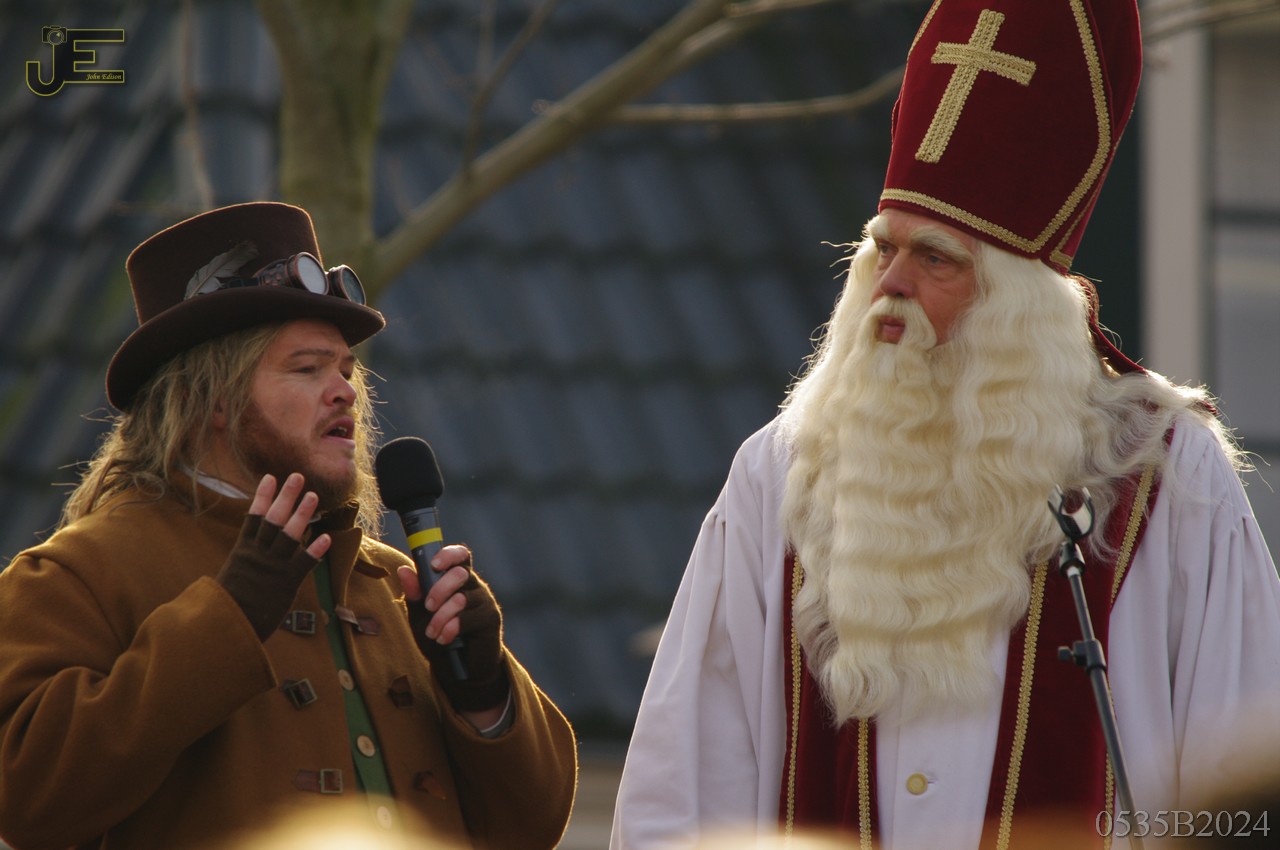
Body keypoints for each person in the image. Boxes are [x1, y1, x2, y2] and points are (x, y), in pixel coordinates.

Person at [611, 1, 1280, 848]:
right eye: (882, 250)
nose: (890, 285)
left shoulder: (1164, 477)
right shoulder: (780, 473)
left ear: (1020, 311)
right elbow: (681, 789)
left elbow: (1244, 790)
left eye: (935, 259)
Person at [0, 202, 577, 849]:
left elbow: (534, 828)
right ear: (210, 398)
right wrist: (228, 616)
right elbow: (28, 802)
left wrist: (484, 693)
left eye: (346, 370)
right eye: (307, 368)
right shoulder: (76, 574)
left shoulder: (392, 581)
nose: (346, 392)